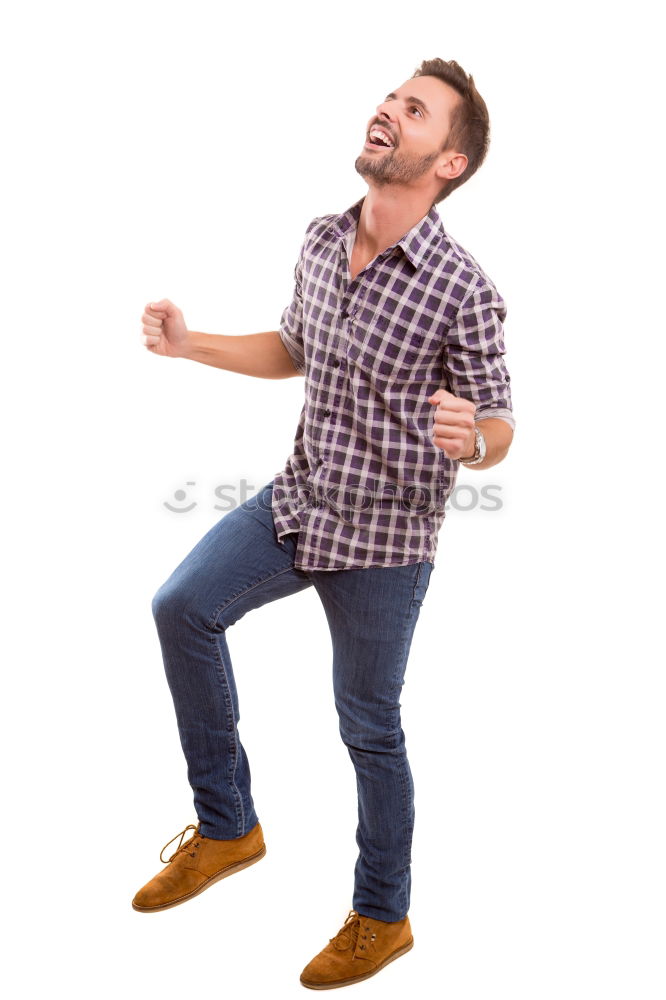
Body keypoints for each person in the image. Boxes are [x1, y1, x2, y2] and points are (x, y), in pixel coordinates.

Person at [133, 56, 516, 990]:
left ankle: (383, 916)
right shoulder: (318, 237)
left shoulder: (463, 287)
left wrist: (475, 440)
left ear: (447, 164)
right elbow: (293, 347)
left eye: (414, 110)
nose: (387, 109)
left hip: (386, 541)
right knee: (181, 607)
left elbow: (499, 421)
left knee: (368, 726)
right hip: (298, 501)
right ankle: (228, 827)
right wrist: (192, 347)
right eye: (390, 97)